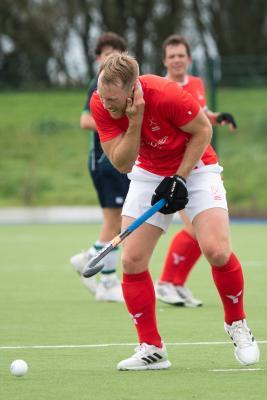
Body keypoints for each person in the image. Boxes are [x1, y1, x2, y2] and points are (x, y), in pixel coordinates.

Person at [89, 52, 259, 371]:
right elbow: (122, 162)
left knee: (217, 250)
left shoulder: (166, 94)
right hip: (147, 173)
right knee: (132, 260)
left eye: (113, 98)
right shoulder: (102, 103)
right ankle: (151, 348)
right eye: (102, 95)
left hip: (195, 167)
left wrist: (180, 178)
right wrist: (136, 120)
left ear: (132, 89)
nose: (106, 103)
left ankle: (237, 324)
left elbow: (203, 131)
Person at [155, 35, 237, 308]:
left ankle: (176, 284)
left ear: (188, 59)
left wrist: (216, 117)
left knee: (201, 234)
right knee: (194, 229)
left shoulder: (197, 84)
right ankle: (166, 282)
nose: (177, 60)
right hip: (176, 166)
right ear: (164, 61)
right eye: (172, 56)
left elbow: (198, 113)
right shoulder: (161, 88)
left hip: (202, 163)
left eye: (181, 55)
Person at [70, 33, 130, 302]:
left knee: (118, 222)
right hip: (105, 162)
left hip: (120, 162)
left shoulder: (122, 85)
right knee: (114, 222)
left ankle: (103, 276)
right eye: (106, 53)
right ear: (98, 58)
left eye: (115, 53)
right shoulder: (98, 85)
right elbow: (84, 121)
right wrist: (116, 120)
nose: (110, 58)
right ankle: (95, 268)